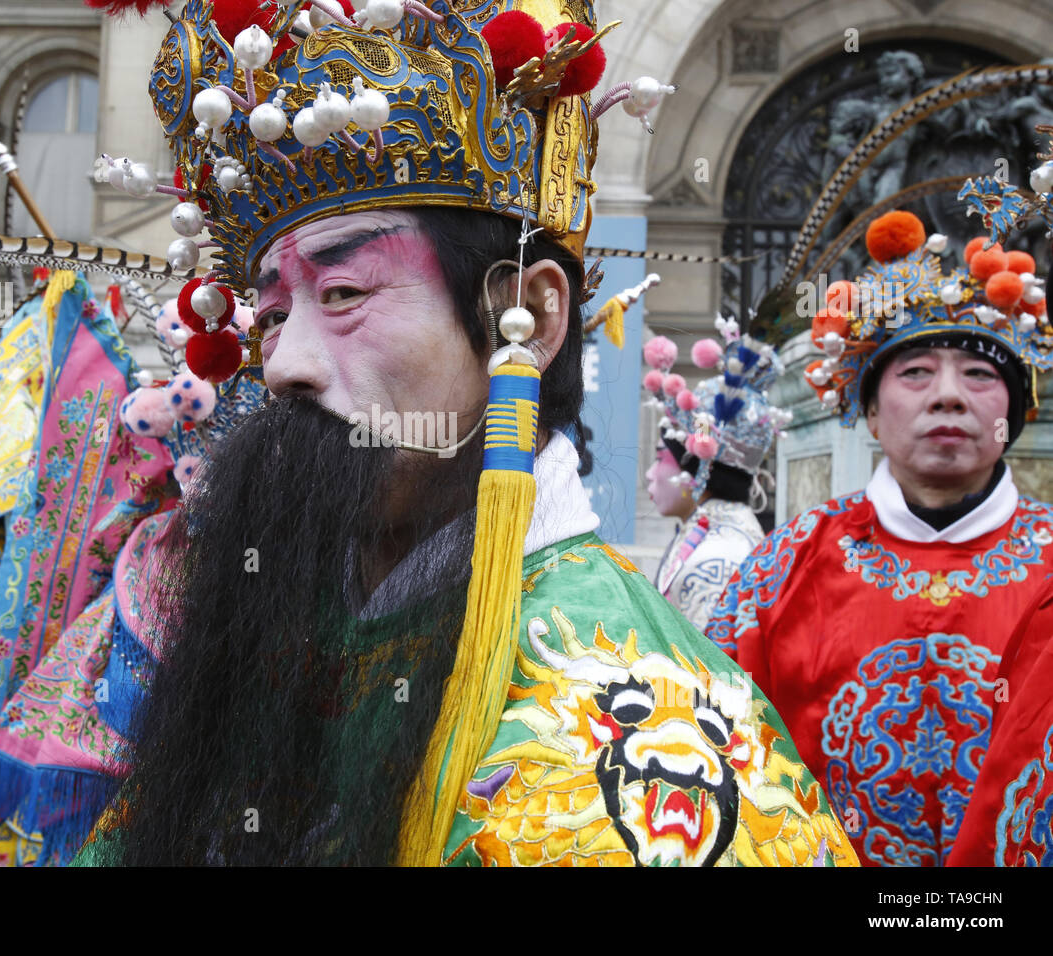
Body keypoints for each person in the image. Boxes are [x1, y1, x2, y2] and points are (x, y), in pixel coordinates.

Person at [71, 0, 856, 867]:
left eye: (345, 295)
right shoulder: (270, 633)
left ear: (527, 313)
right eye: (270, 313)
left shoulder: (639, 752)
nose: (284, 361)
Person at [707, 208, 1053, 866]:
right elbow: (718, 750)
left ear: (1015, 408)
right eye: (916, 373)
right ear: (867, 408)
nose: (948, 396)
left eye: (980, 375)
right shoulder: (783, 566)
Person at [642, 318, 788, 631]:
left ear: (696, 469)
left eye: (659, 459)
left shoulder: (719, 559)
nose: (649, 475)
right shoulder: (712, 529)